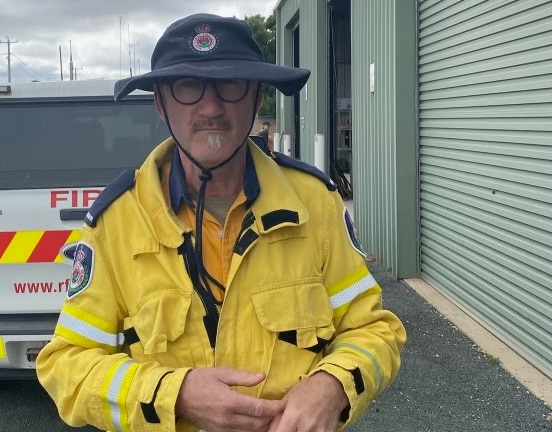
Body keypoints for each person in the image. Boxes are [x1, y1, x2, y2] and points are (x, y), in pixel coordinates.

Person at [37, 13, 406, 432]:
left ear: (256, 98)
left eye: (231, 84)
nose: (211, 107)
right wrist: (175, 395)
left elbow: (375, 330)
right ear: (160, 103)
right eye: (188, 86)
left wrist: (333, 386)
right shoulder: (116, 222)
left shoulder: (315, 205)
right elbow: (66, 366)